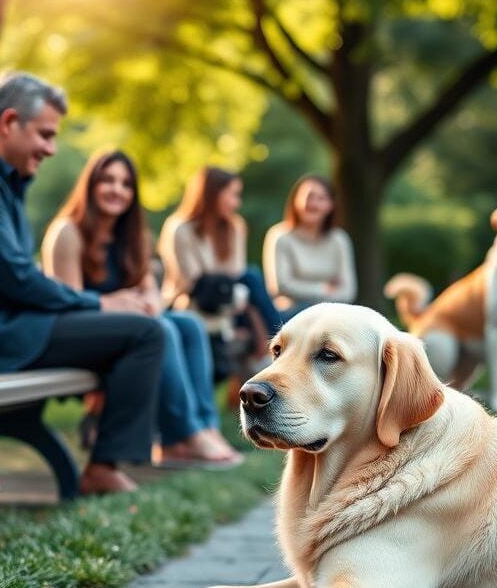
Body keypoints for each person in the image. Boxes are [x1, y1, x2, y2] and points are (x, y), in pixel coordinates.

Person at [0, 72, 165, 495]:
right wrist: (100, 305)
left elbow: (14, 277)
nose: (51, 148)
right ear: (9, 122)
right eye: (45, 135)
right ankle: (103, 466)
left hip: (4, 329)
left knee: (145, 329)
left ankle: (114, 456)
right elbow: (18, 278)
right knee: (144, 333)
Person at [41, 150, 242, 467]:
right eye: (107, 180)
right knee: (162, 328)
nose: (116, 190)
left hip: (133, 328)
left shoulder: (133, 237)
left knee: (187, 324)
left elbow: (151, 294)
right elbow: (69, 306)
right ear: (90, 186)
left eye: (125, 184)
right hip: (88, 334)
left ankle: (205, 426)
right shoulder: (68, 232)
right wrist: (126, 305)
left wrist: (146, 302)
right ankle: (183, 434)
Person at [158, 167, 282, 339]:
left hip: (228, 294)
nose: (236, 203)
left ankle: (276, 336)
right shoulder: (181, 229)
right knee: (251, 278)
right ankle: (278, 333)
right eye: (232, 195)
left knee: (250, 278)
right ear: (212, 194)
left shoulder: (235, 227)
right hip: (191, 299)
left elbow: (236, 271)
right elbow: (193, 280)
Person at [262, 174, 357, 319]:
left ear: (331, 205)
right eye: (309, 196)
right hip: (290, 314)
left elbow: (348, 291)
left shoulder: (339, 239)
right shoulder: (280, 236)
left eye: (321, 198)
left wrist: (307, 291)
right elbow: (281, 286)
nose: (313, 203)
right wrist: (324, 288)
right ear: (295, 200)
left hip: (332, 314)